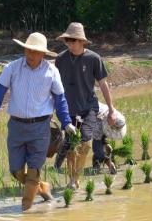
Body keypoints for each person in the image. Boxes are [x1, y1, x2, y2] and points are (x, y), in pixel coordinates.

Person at [0, 32, 76, 211]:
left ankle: (26, 211)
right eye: (29, 50)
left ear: (43, 54)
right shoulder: (12, 68)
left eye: (36, 52)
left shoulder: (52, 72)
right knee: (17, 172)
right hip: (16, 127)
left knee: (33, 171)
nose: (31, 55)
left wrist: (67, 123)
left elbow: (61, 101)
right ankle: (44, 189)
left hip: (41, 128)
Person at [53, 22, 117, 189]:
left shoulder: (93, 59)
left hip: (88, 108)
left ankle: (75, 178)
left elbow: (103, 84)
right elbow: (53, 85)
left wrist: (111, 110)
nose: (70, 43)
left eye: (73, 40)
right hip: (68, 110)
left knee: (86, 143)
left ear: (82, 41)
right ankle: (73, 178)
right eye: (68, 40)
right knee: (70, 147)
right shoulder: (60, 59)